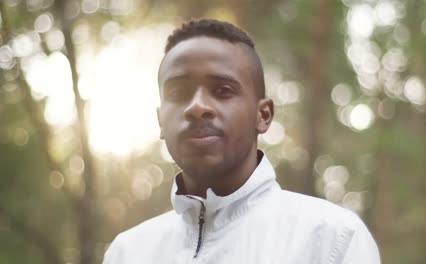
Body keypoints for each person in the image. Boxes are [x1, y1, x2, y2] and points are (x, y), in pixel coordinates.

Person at [103, 18, 380, 264]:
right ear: (161, 120)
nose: (197, 107)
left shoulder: (333, 239)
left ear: (263, 115)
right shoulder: (127, 252)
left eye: (223, 90)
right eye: (178, 92)